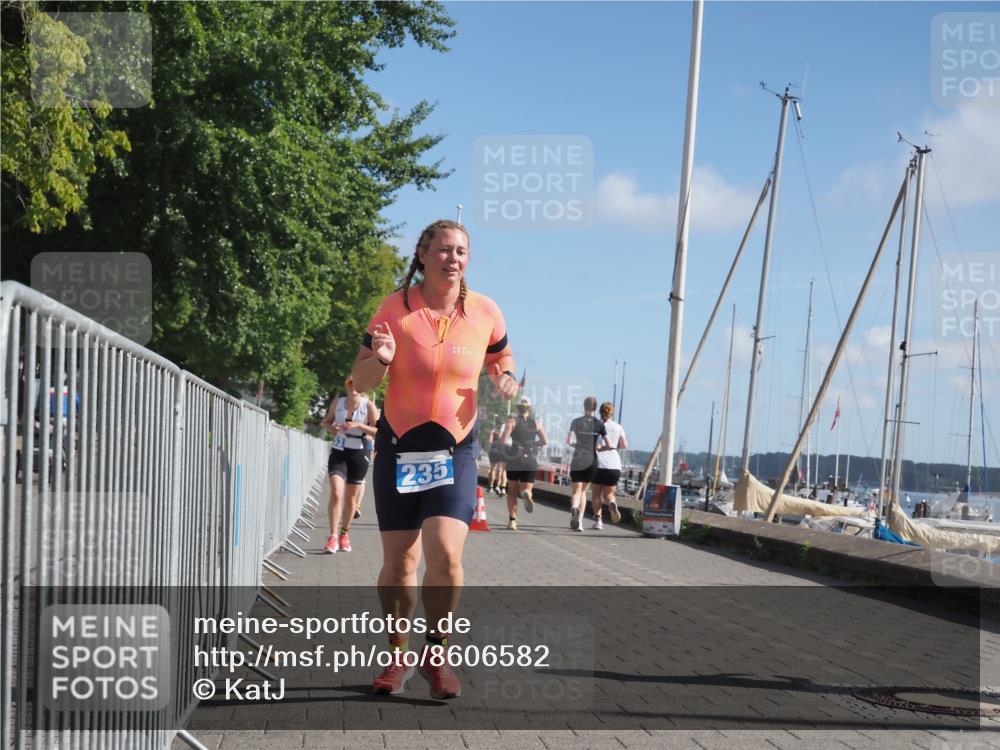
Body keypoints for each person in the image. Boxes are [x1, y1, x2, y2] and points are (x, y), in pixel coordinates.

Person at [351, 219, 518, 699]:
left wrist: (504, 377)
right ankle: (398, 653)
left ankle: (437, 651)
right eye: (444, 250)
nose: (454, 259)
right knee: (400, 563)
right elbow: (359, 383)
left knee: (445, 552)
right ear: (423, 255)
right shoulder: (393, 309)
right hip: (400, 446)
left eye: (462, 251)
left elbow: (501, 359)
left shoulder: (486, 312)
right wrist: (380, 359)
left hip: (455, 447)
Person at [320, 376, 379, 553]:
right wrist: (331, 428)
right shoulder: (338, 402)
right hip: (339, 451)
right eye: (350, 384)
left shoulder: (368, 405)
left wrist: (359, 426)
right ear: (346, 385)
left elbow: (378, 431)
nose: (353, 387)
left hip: (359, 453)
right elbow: (326, 421)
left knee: (351, 499)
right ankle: (333, 537)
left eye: (357, 384)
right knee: (337, 492)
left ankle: (344, 533)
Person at [501, 398, 548, 530]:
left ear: (518, 408)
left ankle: (512, 521)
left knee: (512, 492)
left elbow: (503, 440)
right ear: (529, 409)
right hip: (530, 459)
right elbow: (545, 441)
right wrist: (533, 444)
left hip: (515, 458)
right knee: (527, 488)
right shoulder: (537, 423)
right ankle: (527, 493)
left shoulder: (512, 422)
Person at [566, 396, 610, 532]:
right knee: (584, 491)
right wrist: (599, 449)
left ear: (584, 406)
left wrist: (575, 444)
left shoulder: (576, 422)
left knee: (576, 491)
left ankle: (574, 508)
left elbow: (569, 441)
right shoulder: (599, 424)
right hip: (591, 459)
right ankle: (579, 523)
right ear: (595, 408)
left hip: (578, 458)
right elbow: (609, 445)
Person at [590, 401, 627, 530]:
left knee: (596, 494)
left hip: (597, 464)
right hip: (614, 465)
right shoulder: (618, 427)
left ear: (600, 411)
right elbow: (624, 445)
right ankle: (611, 503)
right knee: (609, 494)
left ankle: (598, 521)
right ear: (612, 413)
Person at [487, 419, 508, 495]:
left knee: (493, 469)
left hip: (493, 450)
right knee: (502, 469)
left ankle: (491, 487)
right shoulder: (505, 432)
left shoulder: (493, 431)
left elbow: (489, 441)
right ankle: (500, 487)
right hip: (502, 450)